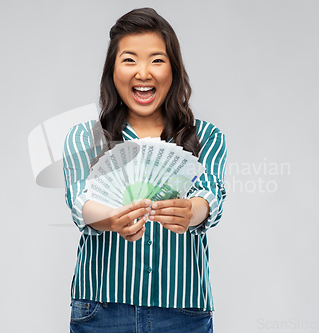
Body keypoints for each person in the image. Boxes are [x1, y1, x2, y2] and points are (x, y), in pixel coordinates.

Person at [63, 7, 227, 333]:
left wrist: (191, 211)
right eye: (129, 60)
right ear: (112, 71)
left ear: (174, 70)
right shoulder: (86, 138)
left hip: (182, 312)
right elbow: (80, 201)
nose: (143, 72)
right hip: (101, 310)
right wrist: (110, 220)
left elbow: (211, 196)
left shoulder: (206, 137)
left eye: (156, 59)